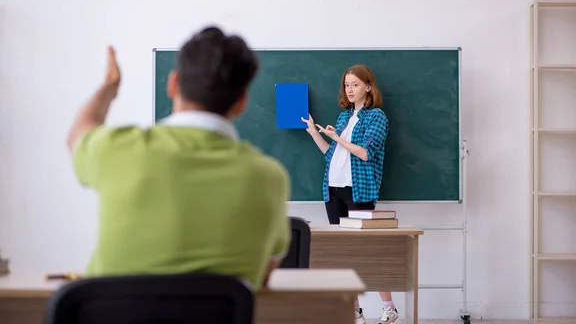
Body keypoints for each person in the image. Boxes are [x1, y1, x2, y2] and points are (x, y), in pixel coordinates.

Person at [66, 26, 291, 291]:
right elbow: (263, 273)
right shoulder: (269, 178)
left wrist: (109, 88)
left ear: (172, 84)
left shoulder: (118, 149)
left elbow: (78, 135)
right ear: (241, 102)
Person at [301, 64, 395, 324]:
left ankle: (388, 306)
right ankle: (355, 311)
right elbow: (332, 155)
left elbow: (365, 153)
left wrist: (337, 138)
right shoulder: (343, 118)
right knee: (344, 253)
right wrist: (314, 132)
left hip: (360, 190)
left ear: (368, 86)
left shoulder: (377, 117)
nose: (350, 89)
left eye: (355, 84)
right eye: (346, 85)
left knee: (367, 250)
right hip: (333, 189)